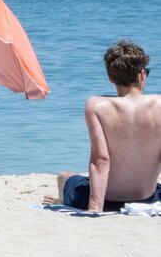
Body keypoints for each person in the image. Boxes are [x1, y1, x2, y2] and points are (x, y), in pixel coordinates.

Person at [42, 40, 161, 212]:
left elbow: (101, 160)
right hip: (148, 200)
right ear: (142, 74)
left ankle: (61, 199)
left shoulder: (96, 106)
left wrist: (95, 208)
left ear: (110, 77)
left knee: (65, 176)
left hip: (108, 201)